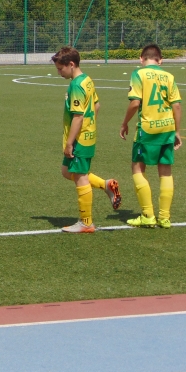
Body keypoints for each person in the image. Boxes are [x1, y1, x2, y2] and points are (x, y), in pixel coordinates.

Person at [52, 47, 122, 233]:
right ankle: (106, 185)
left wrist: (70, 142)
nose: (59, 72)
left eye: (61, 69)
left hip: (79, 139)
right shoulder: (87, 80)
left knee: (80, 177)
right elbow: (97, 105)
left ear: (71, 64)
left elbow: (78, 116)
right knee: (67, 171)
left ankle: (86, 222)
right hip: (87, 135)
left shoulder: (76, 85)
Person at [121, 43, 183, 228]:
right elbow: (177, 106)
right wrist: (177, 131)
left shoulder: (138, 74)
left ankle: (147, 215)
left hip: (147, 129)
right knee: (165, 171)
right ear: (160, 60)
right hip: (167, 129)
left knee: (138, 168)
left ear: (141, 59)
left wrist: (124, 123)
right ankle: (164, 217)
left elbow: (134, 103)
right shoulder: (169, 76)